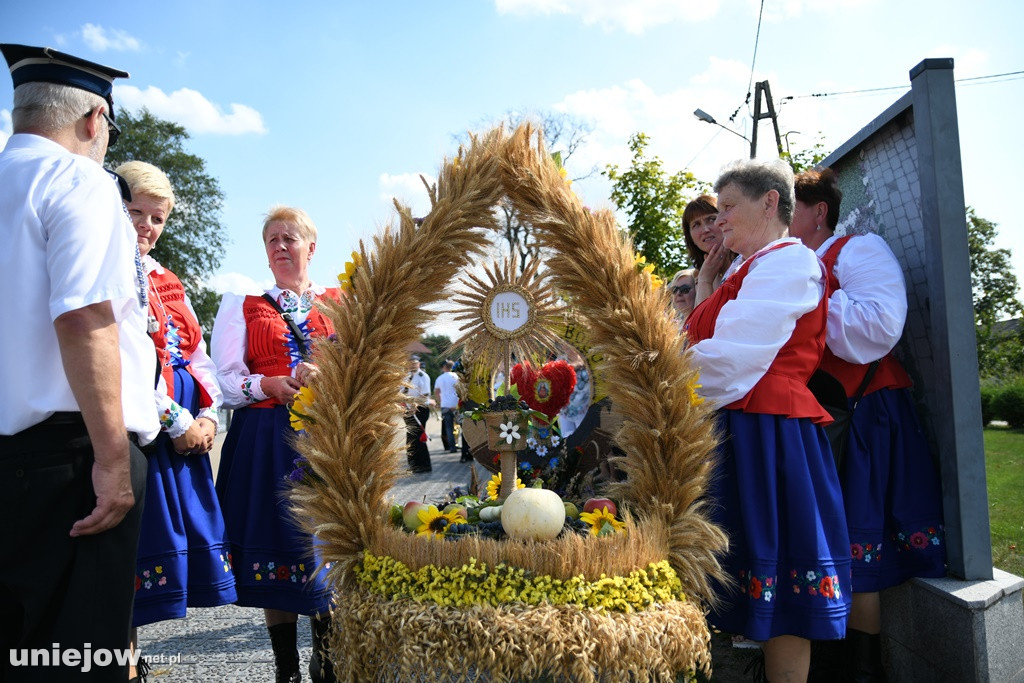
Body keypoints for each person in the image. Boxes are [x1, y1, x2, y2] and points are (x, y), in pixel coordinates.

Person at [0, 44, 158, 682]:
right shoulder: (79, 182)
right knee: (78, 654)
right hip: (71, 457)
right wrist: (113, 461)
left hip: (13, 455)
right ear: (96, 120)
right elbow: (85, 319)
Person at [686, 158, 851, 683]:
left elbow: (734, 356)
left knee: (787, 586)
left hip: (771, 434)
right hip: (738, 429)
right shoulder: (745, 271)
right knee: (740, 572)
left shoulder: (789, 263)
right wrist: (709, 276)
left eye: (729, 207)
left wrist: (661, 375)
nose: (719, 220)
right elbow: (701, 341)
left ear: (771, 202)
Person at [791, 168, 946, 680]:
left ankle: (861, 670)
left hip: (863, 414)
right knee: (822, 539)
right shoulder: (791, 263)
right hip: (820, 418)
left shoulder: (859, 250)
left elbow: (879, 327)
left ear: (818, 211)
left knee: (860, 542)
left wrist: (804, 294)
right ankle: (831, 660)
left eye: (789, 206)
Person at [115, 161, 237, 680]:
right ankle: (123, 665)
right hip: (141, 431)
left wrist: (208, 416)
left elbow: (198, 354)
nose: (146, 226)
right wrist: (177, 418)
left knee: (157, 553)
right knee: (128, 557)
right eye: (135, 211)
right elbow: (120, 362)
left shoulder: (169, 279)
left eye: (157, 218)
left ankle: (132, 664)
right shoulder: (109, 269)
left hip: (183, 434)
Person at [212, 206, 339, 683]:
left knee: (325, 545)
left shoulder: (340, 303)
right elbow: (223, 381)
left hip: (325, 439)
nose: (281, 246)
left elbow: (365, 372)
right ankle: (286, 667)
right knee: (275, 550)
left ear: (311, 246)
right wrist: (267, 385)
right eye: (272, 240)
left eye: (290, 238)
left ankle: (326, 658)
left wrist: (328, 376)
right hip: (265, 439)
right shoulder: (243, 304)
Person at [682, 194, 734, 305]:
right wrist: (705, 280)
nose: (705, 229)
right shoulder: (698, 278)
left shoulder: (746, 261)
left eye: (711, 219)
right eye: (696, 225)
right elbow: (702, 321)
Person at [403, 355, 433, 472]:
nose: (413, 365)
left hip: (420, 409)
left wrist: (415, 406)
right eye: (411, 363)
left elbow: (425, 394)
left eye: (415, 363)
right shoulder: (405, 377)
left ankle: (424, 465)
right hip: (407, 410)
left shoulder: (423, 376)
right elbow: (402, 391)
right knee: (410, 438)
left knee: (418, 437)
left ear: (419, 364)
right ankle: (413, 464)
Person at [434, 360, 460, 453]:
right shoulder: (457, 377)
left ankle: (452, 447)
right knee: (460, 425)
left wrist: (440, 401)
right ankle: (463, 446)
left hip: (445, 405)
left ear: (444, 367)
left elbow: (436, 391)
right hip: (456, 404)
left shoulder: (440, 378)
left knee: (448, 428)